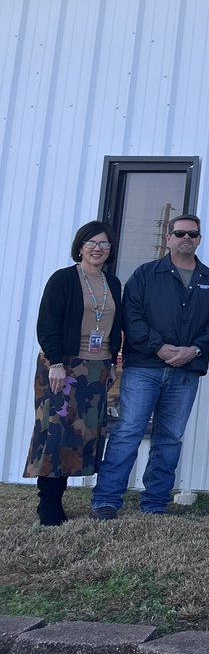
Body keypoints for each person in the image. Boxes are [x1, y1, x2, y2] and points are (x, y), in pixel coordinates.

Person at [91, 215, 209, 519]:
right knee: (128, 431)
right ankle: (106, 500)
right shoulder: (146, 275)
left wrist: (193, 349)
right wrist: (160, 347)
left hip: (186, 371)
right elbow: (132, 317)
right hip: (144, 367)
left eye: (192, 234)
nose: (186, 238)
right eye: (179, 233)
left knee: (170, 437)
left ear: (199, 239)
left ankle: (154, 503)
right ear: (168, 238)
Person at [25, 222, 123, 527]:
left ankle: (60, 498)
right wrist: (55, 362)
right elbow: (48, 323)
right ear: (80, 246)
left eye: (104, 244)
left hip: (97, 368)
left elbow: (115, 326)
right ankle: (48, 505)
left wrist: (112, 365)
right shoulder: (64, 279)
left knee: (81, 436)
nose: (97, 249)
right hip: (63, 365)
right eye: (91, 243)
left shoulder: (113, 283)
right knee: (55, 432)